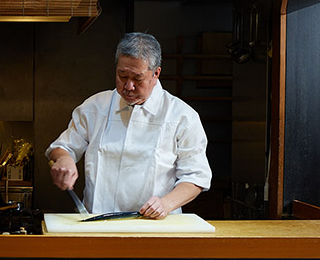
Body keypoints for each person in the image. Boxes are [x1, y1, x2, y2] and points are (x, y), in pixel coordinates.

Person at [46, 32, 211, 217]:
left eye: (137, 79)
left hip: (155, 228)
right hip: (97, 224)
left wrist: (166, 204)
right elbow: (61, 147)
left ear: (156, 74)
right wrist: (64, 158)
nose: (128, 86)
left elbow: (196, 176)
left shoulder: (182, 116)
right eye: (122, 76)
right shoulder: (95, 107)